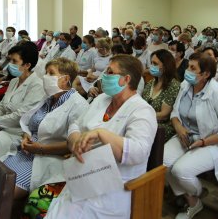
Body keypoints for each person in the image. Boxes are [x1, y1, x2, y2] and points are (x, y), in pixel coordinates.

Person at [46, 55, 157, 219]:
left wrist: (101, 134)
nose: (104, 75)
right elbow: (76, 124)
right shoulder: (102, 99)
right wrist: (76, 139)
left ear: (125, 79)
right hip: (83, 174)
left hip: (114, 186)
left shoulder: (142, 110)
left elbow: (138, 152)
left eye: (110, 72)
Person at [164, 53, 218, 219]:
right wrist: (178, 127)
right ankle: (191, 199)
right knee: (162, 163)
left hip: (210, 142)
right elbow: (175, 111)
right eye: (188, 66)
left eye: (193, 68)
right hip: (185, 136)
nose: (187, 71)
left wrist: (203, 141)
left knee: (180, 170)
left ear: (206, 74)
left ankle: (196, 194)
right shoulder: (186, 85)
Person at [2, 58, 88, 199]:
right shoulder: (49, 98)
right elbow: (31, 123)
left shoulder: (78, 105)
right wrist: (26, 136)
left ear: (65, 79)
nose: (45, 77)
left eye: (51, 73)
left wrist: (40, 149)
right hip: (26, 152)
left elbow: (71, 145)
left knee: (6, 192)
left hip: (47, 159)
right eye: (46, 73)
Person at [0, 42, 45, 158]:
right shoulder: (14, 81)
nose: (10, 64)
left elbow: (21, 115)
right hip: (2, 126)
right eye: (10, 60)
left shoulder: (37, 86)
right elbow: (1, 107)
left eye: (14, 61)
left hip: (17, 133)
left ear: (27, 65)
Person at [142, 49, 180, 141]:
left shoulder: (173, 85)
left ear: (166, 66)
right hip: (146, 121)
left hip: (162, 127)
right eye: (151, 63)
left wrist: (142, 116)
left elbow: (164, 115)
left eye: (155, 64)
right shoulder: (150, 83)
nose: (151, 66)